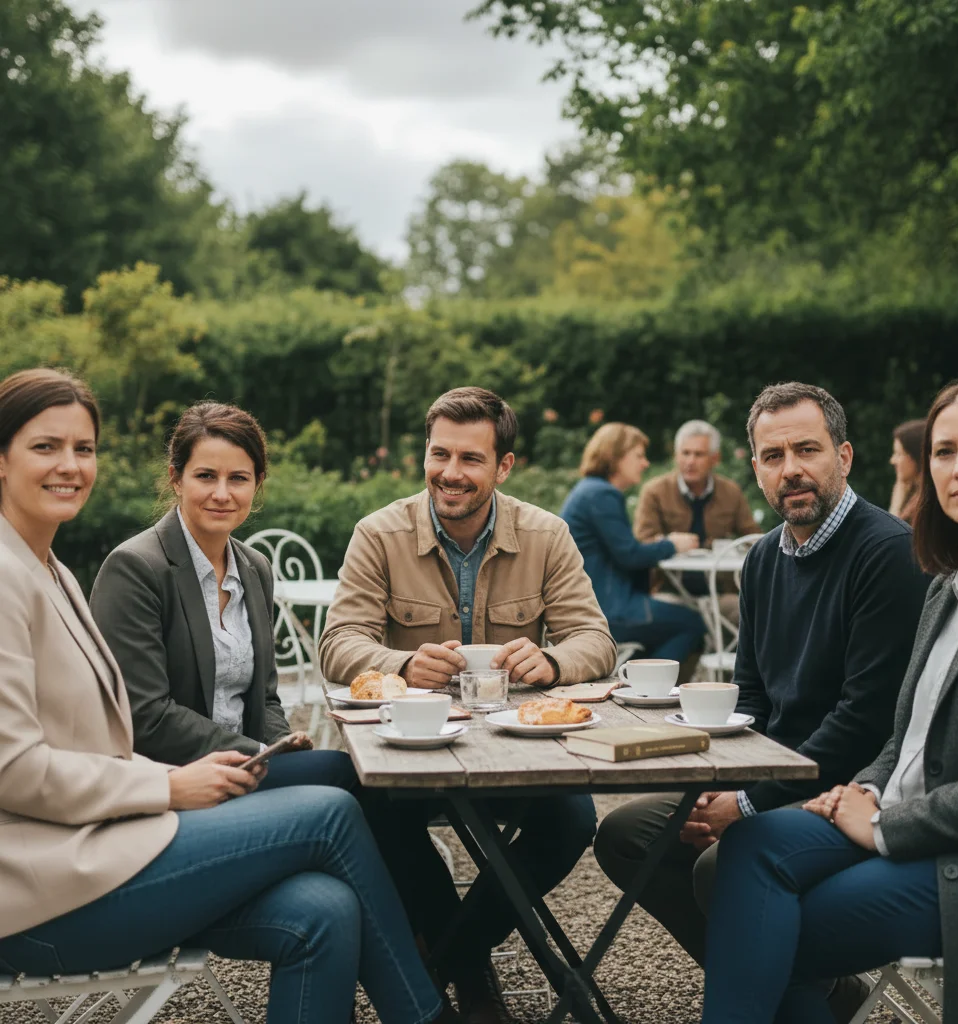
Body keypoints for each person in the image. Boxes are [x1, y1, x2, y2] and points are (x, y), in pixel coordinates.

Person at [0, 368, 452, 1024]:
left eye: (84, 448)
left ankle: (446, 951)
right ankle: (434, 997)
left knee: (324, 910)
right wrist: (172, 787)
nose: (70, 464)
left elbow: (105, 739)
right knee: (329, 806)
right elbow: (14, 770)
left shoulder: (49, 569)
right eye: (46, 446)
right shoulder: (17, 576)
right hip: (39, 889)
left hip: (102, 842)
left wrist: (215, 770)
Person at [594, 382, 930, 1020]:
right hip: (778, 776)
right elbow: (749, 696)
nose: (791, 469)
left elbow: (865, 722)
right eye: (773, 456)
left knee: (718, 865)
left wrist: (746, 803)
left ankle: (795, 993)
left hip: (851, 788)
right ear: (754, 470)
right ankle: (816, 989)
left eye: (807, 449)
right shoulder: (765, 560)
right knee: (626, 834)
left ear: (845, 456)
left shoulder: (887, 552)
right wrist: (711, 784)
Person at [701, 379, 958, 1024]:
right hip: (896, 808)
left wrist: (881, 823)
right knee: (743, 854)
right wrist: (870, 788)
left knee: (768, 923)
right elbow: (906, 736)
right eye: (943, 451)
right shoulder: (951, 582)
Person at [319, 386, 614, 1024]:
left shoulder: (546, 534)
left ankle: (453, 956)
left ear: (503, 466)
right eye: (439, 455)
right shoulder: (379, 533)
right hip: (412, 748)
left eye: (470, 459)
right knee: (372, 808)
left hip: (516, 746)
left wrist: (555, 662)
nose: (450, 473)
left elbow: (596, 639)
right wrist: (401, 665)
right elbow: (338, 643)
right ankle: (471, 974)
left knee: (569, 821)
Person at [90, 401, 354, 791]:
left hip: (251, 765)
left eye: (238, 479)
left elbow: (265, 700)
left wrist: (283, 749)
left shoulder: (255, 568)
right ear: (176, 479)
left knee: (361, 783)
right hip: (176, 781)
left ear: (257, 483)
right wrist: (262, 754)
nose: (222, 493)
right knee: (342, 777)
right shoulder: (134, 569)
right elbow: (145, 717)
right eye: (206, 476)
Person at [559, 422, 706, 680]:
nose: (645, 463)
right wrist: (672, 544)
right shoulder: (601, 494)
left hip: (597, 604)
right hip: (607, 610)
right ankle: (642, 685)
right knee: (693, 624)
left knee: (674, 626)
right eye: (638, 456)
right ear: (615, 457)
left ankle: (633, 681)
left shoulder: (590, 490)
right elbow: (630, 555)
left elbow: (624, 549)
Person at [634, 419, 760, 612]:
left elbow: (754, 539)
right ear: (676, 456)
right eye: (685, 453)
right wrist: (671, 542)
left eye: (699, 454)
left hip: (719, 591)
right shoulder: (655, 492)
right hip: (669, 589)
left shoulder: (730, 492)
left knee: (750, 612)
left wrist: (732, 547)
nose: (690, 461)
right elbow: (642, 543)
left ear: (715, 458)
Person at [888, 418, 927, 524]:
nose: (893, 460)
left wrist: (897, 499)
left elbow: (893, 536)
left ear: (917, 457)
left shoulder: (925, 505)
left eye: (899, 454)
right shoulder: (915, 495)